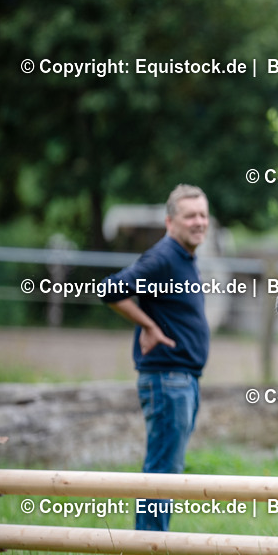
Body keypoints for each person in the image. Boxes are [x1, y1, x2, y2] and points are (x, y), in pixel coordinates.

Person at [100, 184, 210, 531]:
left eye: (203, 215)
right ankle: (150, 548)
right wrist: (148, 325)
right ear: (170, 221)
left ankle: (153, 544)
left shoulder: (184, 257)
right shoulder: (162, 257)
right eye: (190, 215)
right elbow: (110, 290)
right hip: (168, 379)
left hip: (182, 379)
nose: (199, 222)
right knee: (162, 468)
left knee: (169, 467)